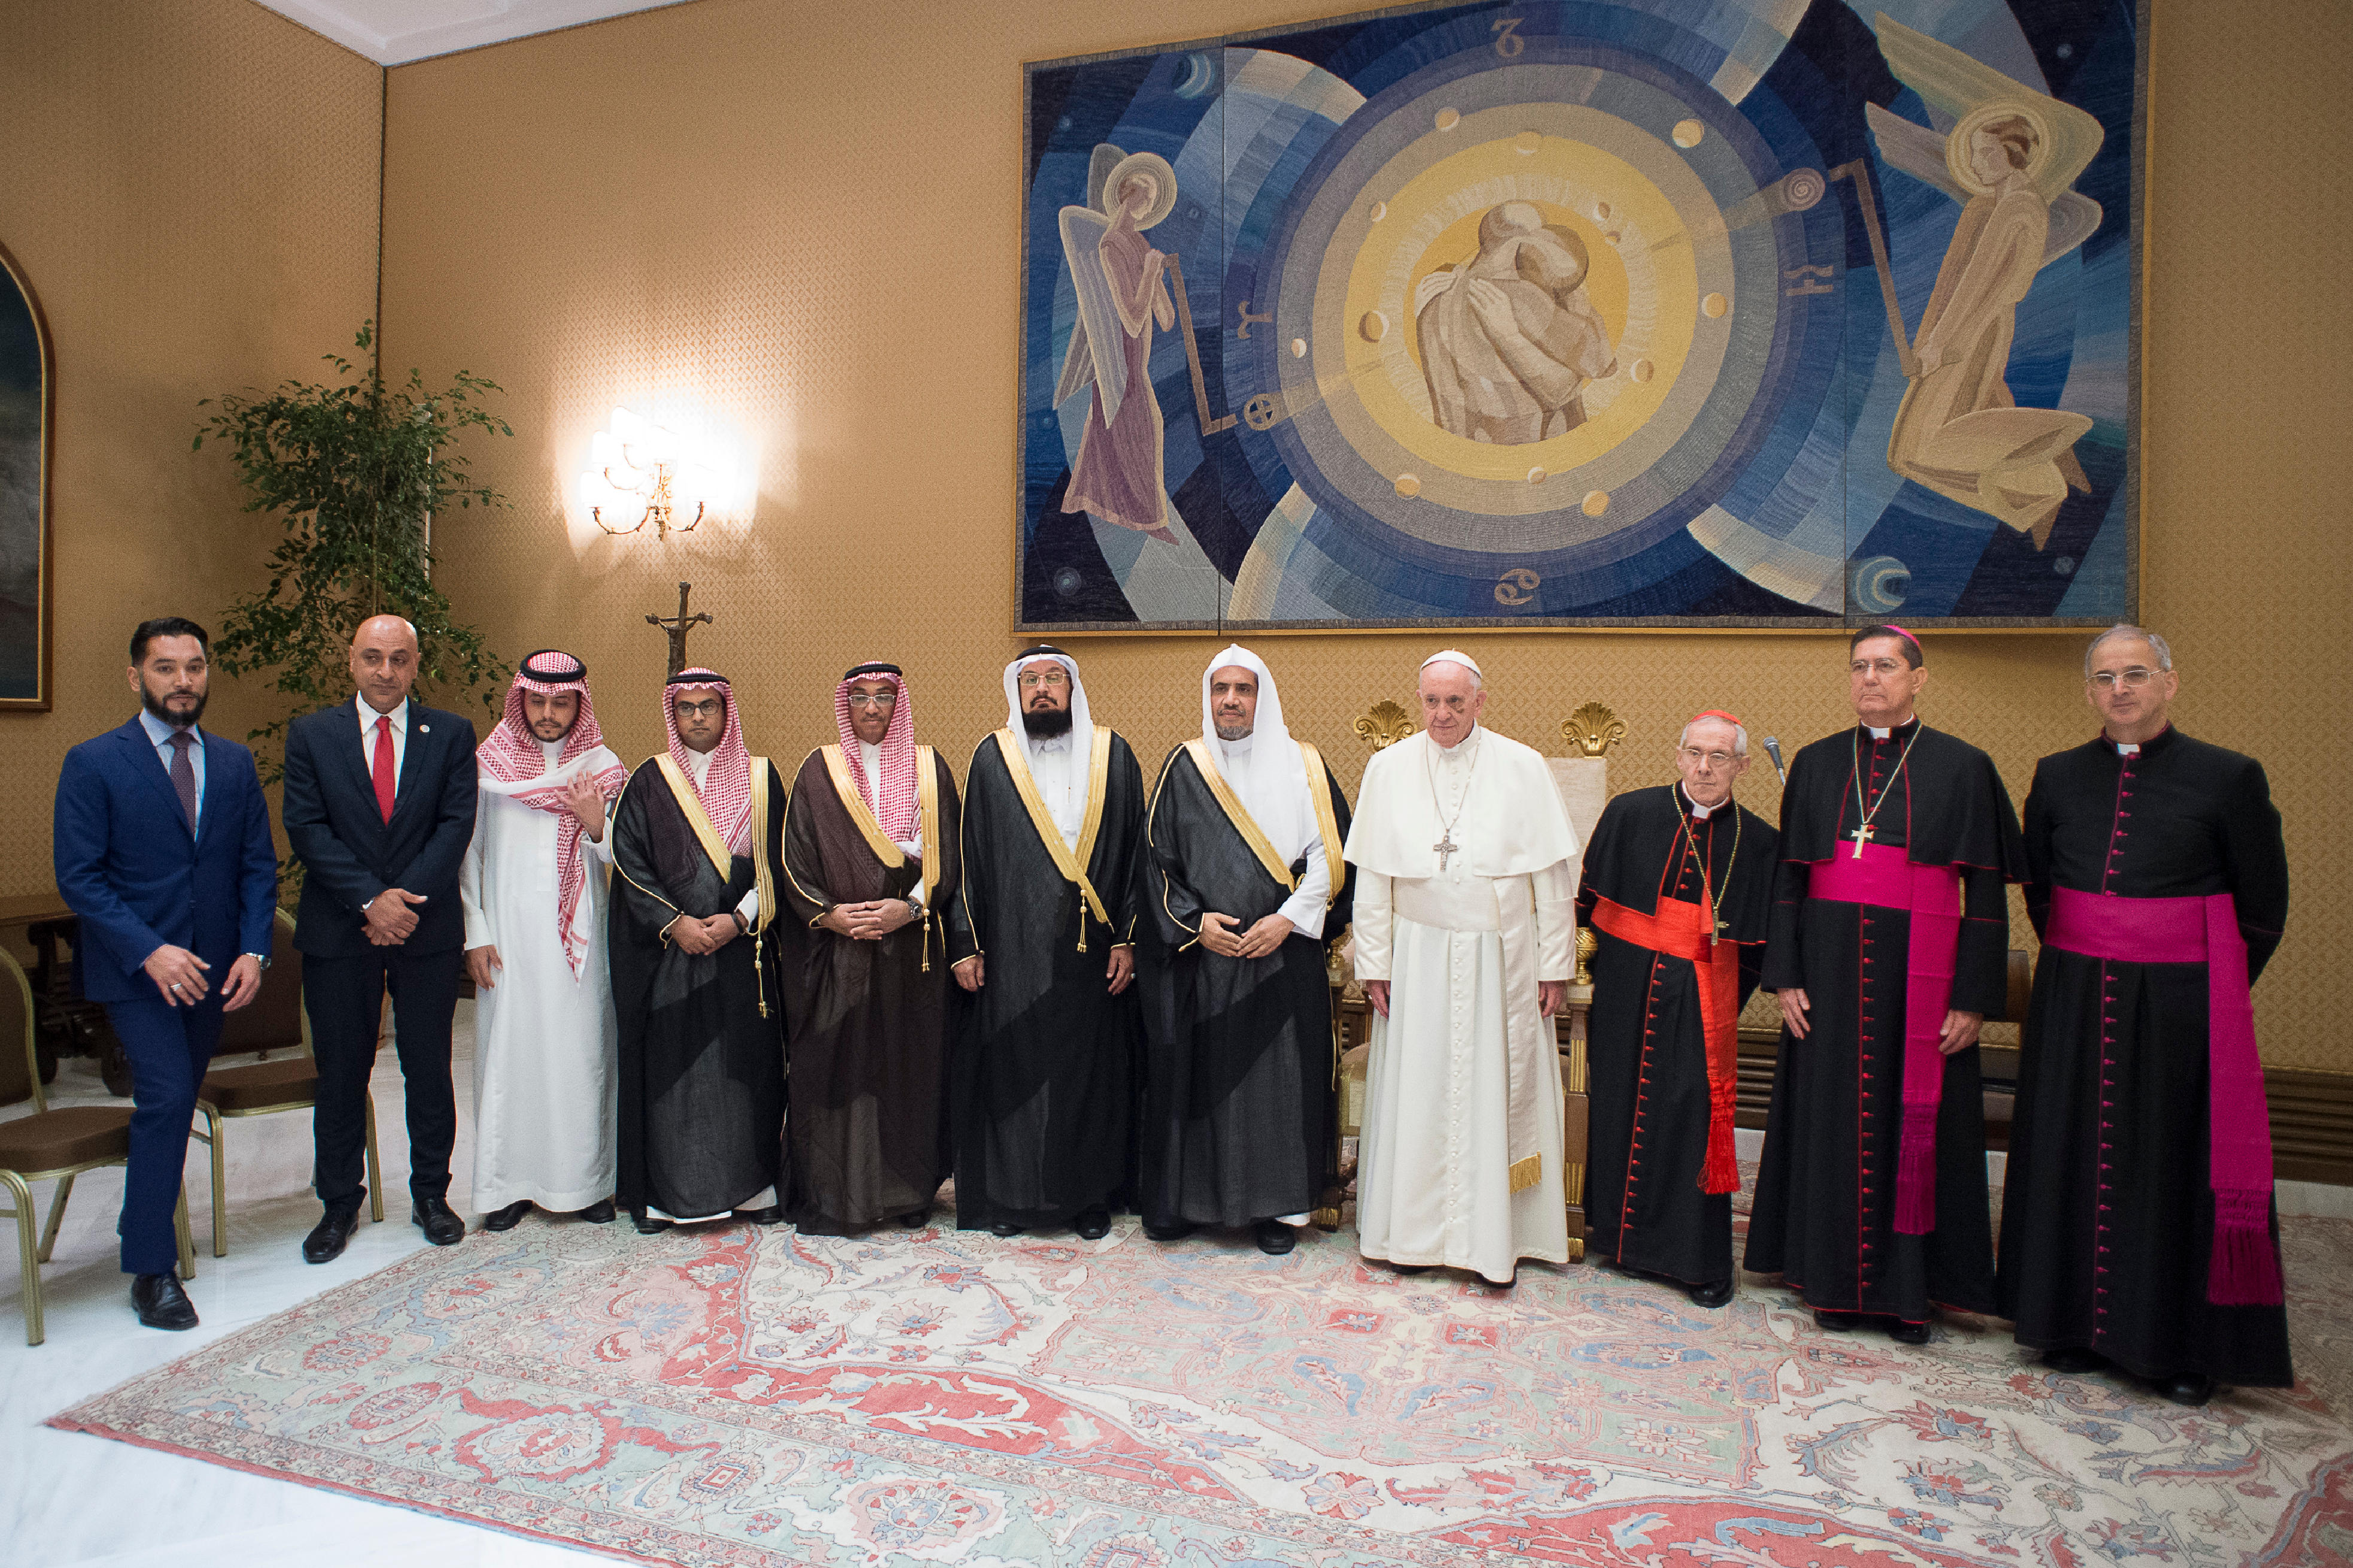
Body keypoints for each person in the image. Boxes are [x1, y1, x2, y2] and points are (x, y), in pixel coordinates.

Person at [1999, 626, 2292, 1404]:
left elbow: (2263, 908)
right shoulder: (2057, 774)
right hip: (2074, 997)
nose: (2119, 689)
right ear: (2088, 691)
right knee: (2070, 1153)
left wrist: (2204, 987)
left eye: (2134, 673)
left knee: (2170, 1166)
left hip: (2182, 1006)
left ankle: (2179, 1349)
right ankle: (2066, 1325)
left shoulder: (2228, 776)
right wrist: (2091, 952)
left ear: (2168, 682)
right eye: (2104, 678)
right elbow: (2041, 891)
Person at [1744, 625, 2024, 1344]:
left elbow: (1984, 895)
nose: (1869, 677)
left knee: (1915, 1125)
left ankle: (1912, 1289)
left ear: (1917, 678)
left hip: (1920, 979)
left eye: (1885, 665)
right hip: (1828, 975)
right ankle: (1830, 1280)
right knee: (1831, 1122)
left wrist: (1971, 996)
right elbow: (1789, 878)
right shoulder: (1814, 761)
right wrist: (1784, 976)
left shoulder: (1963, 766)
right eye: (1859, 666)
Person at [53, 617, 276, 1329]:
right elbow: (80, 876)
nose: (183, 680)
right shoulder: (94, 761)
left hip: (212, 970)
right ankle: (151, 1267)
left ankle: (146, 1229)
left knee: (174, 1103)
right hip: (137, 971)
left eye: (195, 666)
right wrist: (149, 949)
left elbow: (256, 866)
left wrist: (254, 950)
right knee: (169, 1094)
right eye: (166, 667)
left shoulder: (234, 762)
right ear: (136, 676)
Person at [1343, 651, 1577, 1283]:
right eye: (1431, 701)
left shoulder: (1522, 766)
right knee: (1419, 1094)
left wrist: (1554, 963)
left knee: (1490, 1092)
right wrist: (1374, 962)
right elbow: (1373, 878)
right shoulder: (1388, 767)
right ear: (1418, 700)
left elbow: (1553, 879)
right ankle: (1411, 1236)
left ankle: (1490, 1242)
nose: (1441, 714)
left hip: (1500, 957)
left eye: (1454, 701)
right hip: (1416, 957)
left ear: (1479, 700)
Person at [1140, 646, 1354, 1255]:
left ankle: (1276, 1209)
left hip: (1282, 955)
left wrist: (1287, 920)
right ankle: (1190, 1203)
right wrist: (1193, 922)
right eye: (1220, 689)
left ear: (1263, 697)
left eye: (1243, 689)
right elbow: (1154, 861)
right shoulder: (1184, 765)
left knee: (1277, 1086)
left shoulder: (1303, 764)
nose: (1230, 700)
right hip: (1203, 960)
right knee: (1199, 1078)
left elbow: (1333, 856)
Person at [282, 614, 478, 1262]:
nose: (385, 671)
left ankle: (431, 1195)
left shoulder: (450, 733)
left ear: (416, 664)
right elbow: (307, 826)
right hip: (340, 929)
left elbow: (454, 824)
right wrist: (370, 900)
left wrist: (402, 901)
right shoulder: (313, 734)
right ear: (352, 661)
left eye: (399, 658)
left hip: (425, 929)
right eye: (373, 657)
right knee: (342, 1071)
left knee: (428, 1068)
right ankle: (339, 1203)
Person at [1577, 710, 1777, 1308]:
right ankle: (1612, 1236)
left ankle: (1693, 1259)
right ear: (1678, 754)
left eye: (1719, 756)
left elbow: (1761, 944)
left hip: (1703, 999)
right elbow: (1585, 903)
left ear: (1742, 766)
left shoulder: (1760, 841)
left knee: (1693, 1115)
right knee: (1616, 1103)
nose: (1704, 767)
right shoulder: (1630, 813)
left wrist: (1717, 995)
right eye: (1694, 752)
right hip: (1625, 989)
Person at [948, 646, 1145, 1239]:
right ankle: (1013, 1199)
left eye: (1053, 678)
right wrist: (967, 942)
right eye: (1030, 679)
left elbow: (1138, 856)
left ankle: (1086, 1198)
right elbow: (969, 857)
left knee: (1087, 1073)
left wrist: (1129, 938)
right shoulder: (992, 757)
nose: (1042, 689)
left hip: (1093, 950)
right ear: (1017, 691)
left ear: (1071, 688)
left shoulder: (1113, 755)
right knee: (1015, 1067)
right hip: (1013, 950)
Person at [778, 662, 962, 1232]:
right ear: (847, 704)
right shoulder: (818, 770)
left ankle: (906, 1193)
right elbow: (793, 860)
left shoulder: (930, 768)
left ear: (898, 703)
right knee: (840, 1069)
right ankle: (838, 1192)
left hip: (912, 954)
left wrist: (911, 908)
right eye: (860, 696)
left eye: (884, 696)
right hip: (841, 953)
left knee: (906, 1066)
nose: (872, 707)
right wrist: (831, 915)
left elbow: (951, 855)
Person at [607, 668, 788, 1234]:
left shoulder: (761, 777)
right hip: (672, 957)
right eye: (686, 708)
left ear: (726, 711)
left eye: (708, 706)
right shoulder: (649, 780)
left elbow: (781, 863)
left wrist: (740, 919)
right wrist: (675, 923)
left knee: (747, 1072)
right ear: (673, 714)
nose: (698, 717)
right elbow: (630, 864)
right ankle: (670, 1197)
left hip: (742, 954)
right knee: (674, 1074)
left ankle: (752, 1190)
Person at [460, 650, 629, 1232]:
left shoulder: (602, 767)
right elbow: (469, 854)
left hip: (579, 945)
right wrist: (475, 932)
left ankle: (587, 1184)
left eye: (561, 702)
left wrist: (595, 821)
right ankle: (508, 1186)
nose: (549, 713)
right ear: (521, 700)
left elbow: (622, 859)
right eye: (538, 701)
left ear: (579, 704)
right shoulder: (489, 765)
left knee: (581, 1057)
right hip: (506, 941)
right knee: (510, 1058)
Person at [1415, 200, 1615, 445]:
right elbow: (1599, 363)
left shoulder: (1432, 307)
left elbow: (1447, 413)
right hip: (1550, 450)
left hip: (1484, 457)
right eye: (1542, 236)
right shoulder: (1523, 296)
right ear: (1524, 244)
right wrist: (1573, 293)